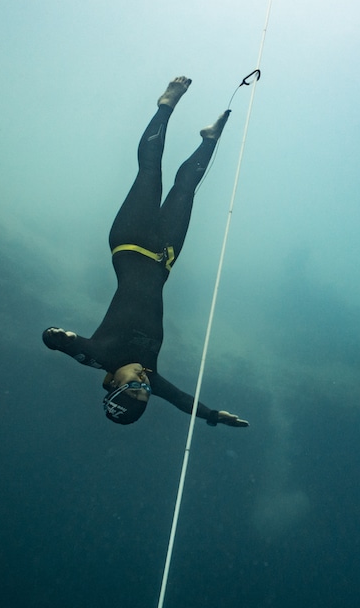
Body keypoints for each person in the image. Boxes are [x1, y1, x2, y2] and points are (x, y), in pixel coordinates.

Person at [42, 77, 249, 428]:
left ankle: (166, 104)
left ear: (112, 383)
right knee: (186, 189)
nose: (143, 382)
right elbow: (182, 400)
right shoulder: (151, 374)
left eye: (132, 386)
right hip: (164, 257)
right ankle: (209, 139)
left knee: (150, 171)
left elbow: (59, 342)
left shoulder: (101, 356)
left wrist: (59, 339)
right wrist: (212, 416)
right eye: (145, 392)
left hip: (130, 241)